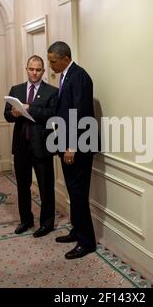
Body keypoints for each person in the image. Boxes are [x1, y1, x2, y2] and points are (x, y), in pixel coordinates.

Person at [47, 41, 98, 260]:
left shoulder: (80, 76)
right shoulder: (66, 74)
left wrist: (72, 146)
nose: (51, 65)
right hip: (68, 143)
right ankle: (77, 231)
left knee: (79, 194)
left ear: (65, 58)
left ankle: (87, 242)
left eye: (53, 61)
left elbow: (81, 113)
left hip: (79, 146)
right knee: (73, 192)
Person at [4, 55, 58, 238]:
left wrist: (29, 108)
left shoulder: (52, 91)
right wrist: (13, 113)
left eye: (38, 69)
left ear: (43, 71)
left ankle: (47, 223)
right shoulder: (16, 89)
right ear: (26, 69)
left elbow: (52, 115)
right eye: (31, 69)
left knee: (46, 187)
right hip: (21, 146)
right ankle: (26, 220)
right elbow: (7, 115)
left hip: (42, 146)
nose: (34, 72)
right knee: (23, 186)